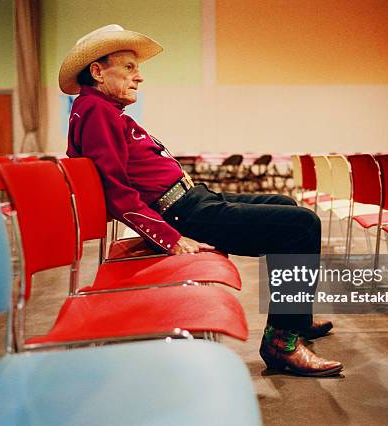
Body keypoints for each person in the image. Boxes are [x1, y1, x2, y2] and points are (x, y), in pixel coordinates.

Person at [59, 24, 343, 376]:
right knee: (302, 225)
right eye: (129, 68)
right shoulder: (96, 111)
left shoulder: (101, 110)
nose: (139, 77)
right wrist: (169, 237)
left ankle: (295, 318)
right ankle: (281, 343)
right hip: (181, 213)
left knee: (286, 206)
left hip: (192, 200)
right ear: (98, 72)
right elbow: (116, 192)